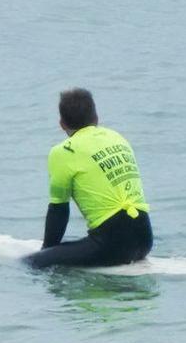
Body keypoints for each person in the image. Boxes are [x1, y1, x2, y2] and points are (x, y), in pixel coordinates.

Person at [26, 87, 152, 269]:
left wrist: (46, 254)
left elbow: (58, 210)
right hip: (145, 238)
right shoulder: (116, 137)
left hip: (113, 245)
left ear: (62, 124)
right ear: (96, 117)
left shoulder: (63, 152)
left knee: (32, 263)